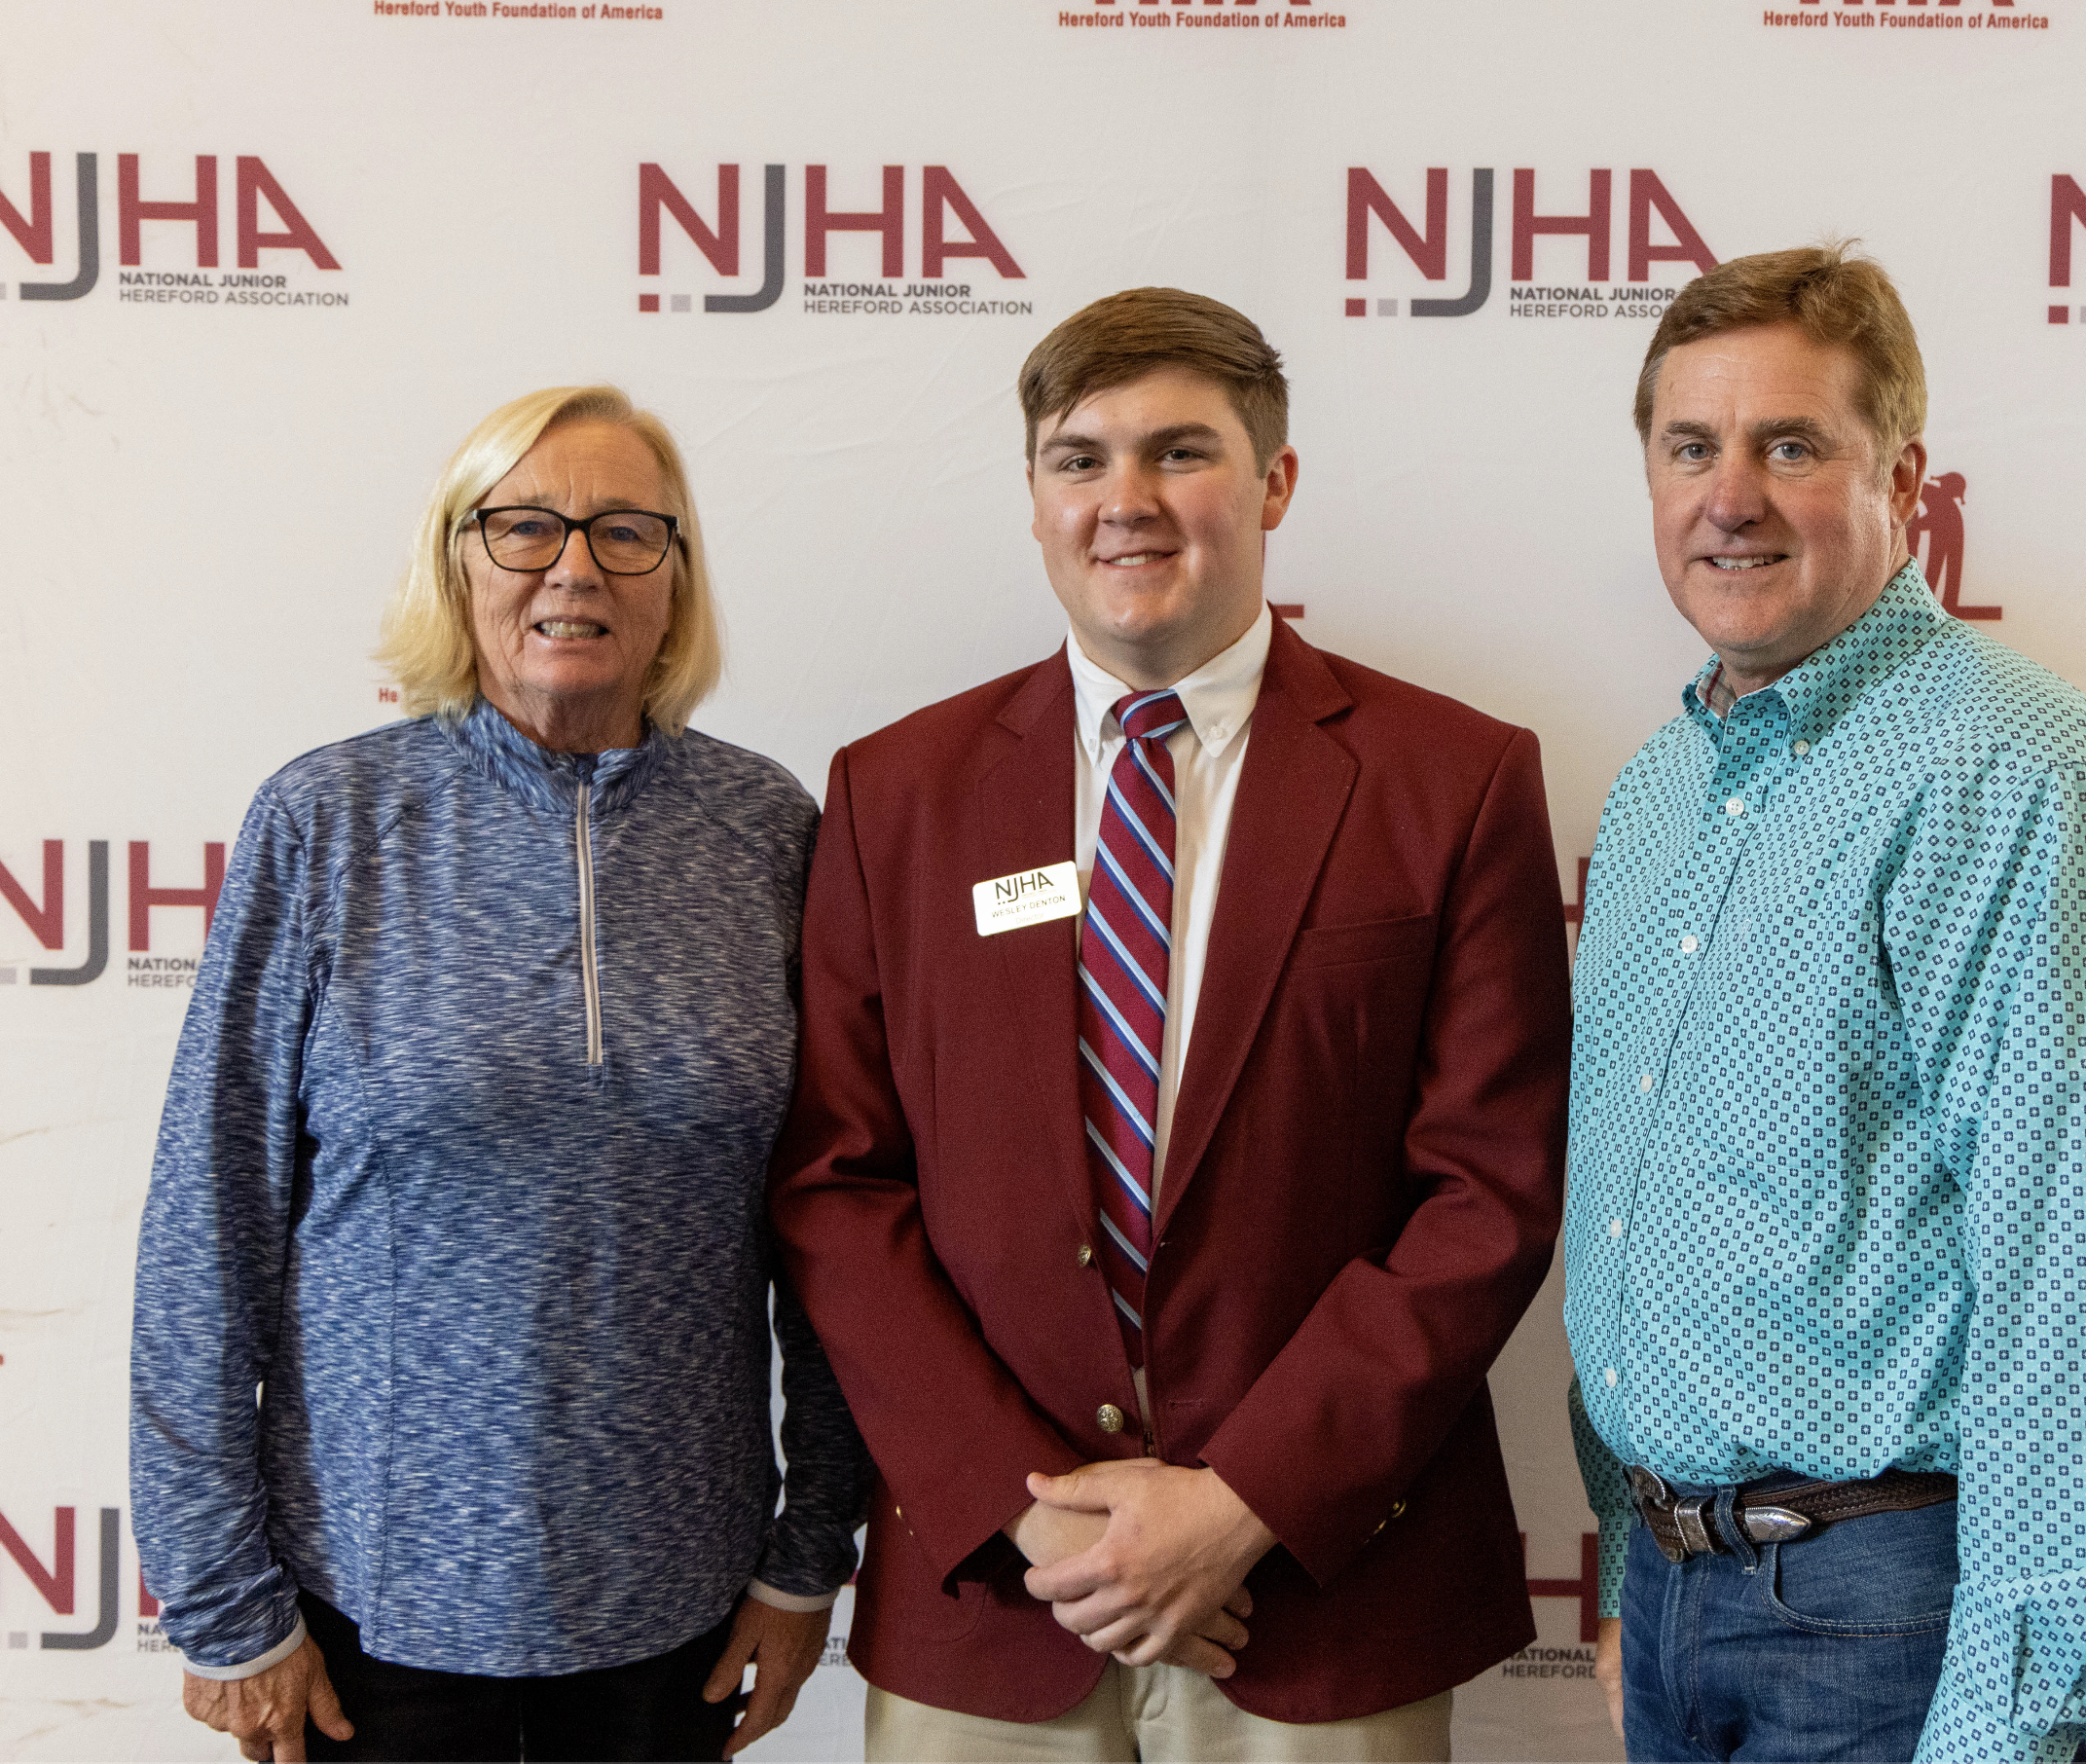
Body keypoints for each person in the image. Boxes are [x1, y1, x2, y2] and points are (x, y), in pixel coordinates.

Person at [767, 287, 1571, 1761]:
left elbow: (1489, 1192)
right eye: (1080, 460)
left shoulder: (1447, 781)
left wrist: (1238, 1504)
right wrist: (1042, 1521)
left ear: (1274, 483)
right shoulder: (900, 794)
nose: (1125, 501)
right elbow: (838, 1184)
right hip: (997, 1604)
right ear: (1031, 498)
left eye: (1180, 452)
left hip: (1321, 1592)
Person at [131, 386, 868, 1763]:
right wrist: (223, 1603)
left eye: (625, 533)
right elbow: (205, 1225)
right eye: (522, 526)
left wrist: (807, 1550)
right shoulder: (327, 821)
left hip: (679, 1621)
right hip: (367, 1617)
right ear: (456, 561)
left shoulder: (768, 833)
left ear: (676, 580)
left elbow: (836, 1225)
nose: (573, 568)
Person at [1563, 245, 2086, 1763]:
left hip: (1881, 1619)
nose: (1732, 496)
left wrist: (2000, 1733)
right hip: (1674, 1592)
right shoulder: (1665, 787)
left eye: (1792, 446)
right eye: (1690, 448)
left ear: (1903, 480)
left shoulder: (2015, 782)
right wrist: (1630, 1561)